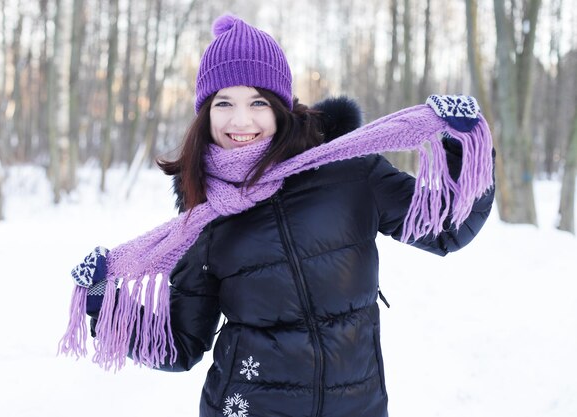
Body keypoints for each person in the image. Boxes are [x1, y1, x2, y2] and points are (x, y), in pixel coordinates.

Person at [60, 14, 495, 417]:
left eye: (258, 102)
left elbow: (446, 229)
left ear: (282, 104)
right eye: (223, 103)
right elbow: (180, 344)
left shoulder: (347, 170)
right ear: (205, 114)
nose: (241, 120)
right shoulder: (202, 218)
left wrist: (463, 147)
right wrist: (106, 303)